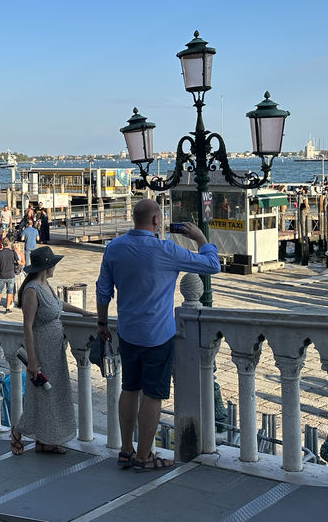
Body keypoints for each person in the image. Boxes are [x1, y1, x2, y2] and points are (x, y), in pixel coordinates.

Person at [95, 198, 220, 471]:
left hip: (127, 332)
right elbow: (212, 265)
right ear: (156, 221)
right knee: (153, 395)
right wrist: (200, 237)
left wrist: (102, 323)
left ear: (133, 218)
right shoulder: (167, 250)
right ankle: (143, 457)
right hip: (157, 336)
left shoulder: (114, 248)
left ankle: (125, 450)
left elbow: (103, 290)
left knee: (129, 389)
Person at [10, 246, 94, 455]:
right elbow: (27, 326)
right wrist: (32, 360)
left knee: (53, 396)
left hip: (55, 350)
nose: (55, 266)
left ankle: (45, 440)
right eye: (53, 263)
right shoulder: (31, 290)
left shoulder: (46, 284)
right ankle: (17, 432)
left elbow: (58, 305)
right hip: (42, 350)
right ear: (46, 266)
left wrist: (82, 311)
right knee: (42, 396)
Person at [0, 238, 19, 313]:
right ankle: (7, 308)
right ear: (8, 244)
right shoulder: (12, 252)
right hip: (11, 274)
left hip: (2, 274)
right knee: (10, 291)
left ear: (2, 243)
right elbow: (17, 261)